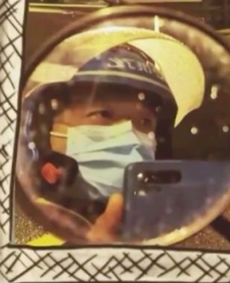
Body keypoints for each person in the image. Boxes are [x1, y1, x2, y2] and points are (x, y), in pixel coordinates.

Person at [19, 40, 191, 243]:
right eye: (104, 114)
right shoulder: (13, 226)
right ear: (41, 132)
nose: (131, 137)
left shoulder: (178, 228)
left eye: (145, 121)